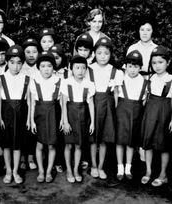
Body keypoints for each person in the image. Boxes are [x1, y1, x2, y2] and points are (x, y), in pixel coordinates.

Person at [140, 45, 172, 187]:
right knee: (148, 144)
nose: (157, 66)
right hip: (150, 114)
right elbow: (146, 98)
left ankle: (163, 174)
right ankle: (148, 171)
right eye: (154, 63)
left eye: (160, 62)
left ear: (168, 62)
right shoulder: (150, 79)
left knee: (164, 145)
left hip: (164, 115)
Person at [86, 37, 123, 179]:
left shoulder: (115, 71)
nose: (103, 56)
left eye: (106, 53)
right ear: (94, 53)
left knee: (103, 139)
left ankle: (101, 167)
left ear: (111, 54)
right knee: (93, 139)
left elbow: (115, 95)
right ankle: (93, 166)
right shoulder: (89, 69)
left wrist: (113, 112)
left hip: (107, 108)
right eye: (99, 53)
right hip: (93, 106)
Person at [125, 17, 158, 162]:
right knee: (135, 113)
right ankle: (131, 144)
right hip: (135, 81)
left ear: (152, 31)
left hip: (149, 80)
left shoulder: (155, 48)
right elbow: (128, 69)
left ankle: (144, 147)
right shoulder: (133, 48)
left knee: (147, 114)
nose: (145, 33)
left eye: (148, 30)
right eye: (142, 29)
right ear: (138, 31)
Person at [0, 45, 30, 184]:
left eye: (19, 63)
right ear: (7, 62)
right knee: (6, 145)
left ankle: (16, 171)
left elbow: (28, 101)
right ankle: (8, 171)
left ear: (22, 63)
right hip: (6, 113)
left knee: (17, 144)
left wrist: (28, 119)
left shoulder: (27, 78)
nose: (15, 66)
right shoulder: (0, 78)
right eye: (12, 62)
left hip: (21, 112)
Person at [61, 55, 95, 183]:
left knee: (79, 145)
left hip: (82, 115)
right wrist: (65, 121)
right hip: (70, 114)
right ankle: (69, 169)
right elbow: (63, 103)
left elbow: (91, 104)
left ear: (86, 69)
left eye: (83, 68)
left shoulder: (89, 84)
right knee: (69, 144)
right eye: (77, 68)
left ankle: (76, 169)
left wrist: (92, 122)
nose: (80, 71)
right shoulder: (66, 82)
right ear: (72, 69)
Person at [115, 50, 148, 180]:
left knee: (131, 142)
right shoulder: (121, 78)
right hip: (122, 113)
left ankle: (128, 168)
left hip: (136, 114)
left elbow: (144, 100)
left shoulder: (144, 82)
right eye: (130, 66)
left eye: (135, 67)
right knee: (120, 141)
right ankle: (120, 168)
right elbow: (116, 95)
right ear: (125, 67)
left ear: (140, 67)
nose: (132, 70)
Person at [30, 52, 62, 183]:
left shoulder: (59, 81)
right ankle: (41, 171)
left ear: (53, 68)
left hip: (54, 114)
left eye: (49, 66)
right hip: (39, 115)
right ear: (38, 68)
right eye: (42, 66)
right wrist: (31, 120)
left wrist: (62, 119)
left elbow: (62, 103)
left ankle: (49, 171)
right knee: (40, 145)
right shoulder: (35, 82)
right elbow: (32, 103)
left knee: (51, 146)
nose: (46, 69)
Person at [19, 37, 40, 170]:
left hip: (36, 103)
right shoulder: (20, 67)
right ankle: (22, 157)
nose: (31, 55)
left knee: (33, 130)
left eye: (34, 51)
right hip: (22, 102)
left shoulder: (41, 67)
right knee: (21, 130)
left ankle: (31, 156)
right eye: (28, 52)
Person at [49, 44, 69, 173]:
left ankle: (64, 161)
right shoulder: (47, 71)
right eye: (53, 58)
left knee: (64, 136)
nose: (55, 60)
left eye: (58, 57)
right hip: (53, 106)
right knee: (53, 135)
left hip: (66, 106)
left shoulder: (67, 72)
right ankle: (55, 161)